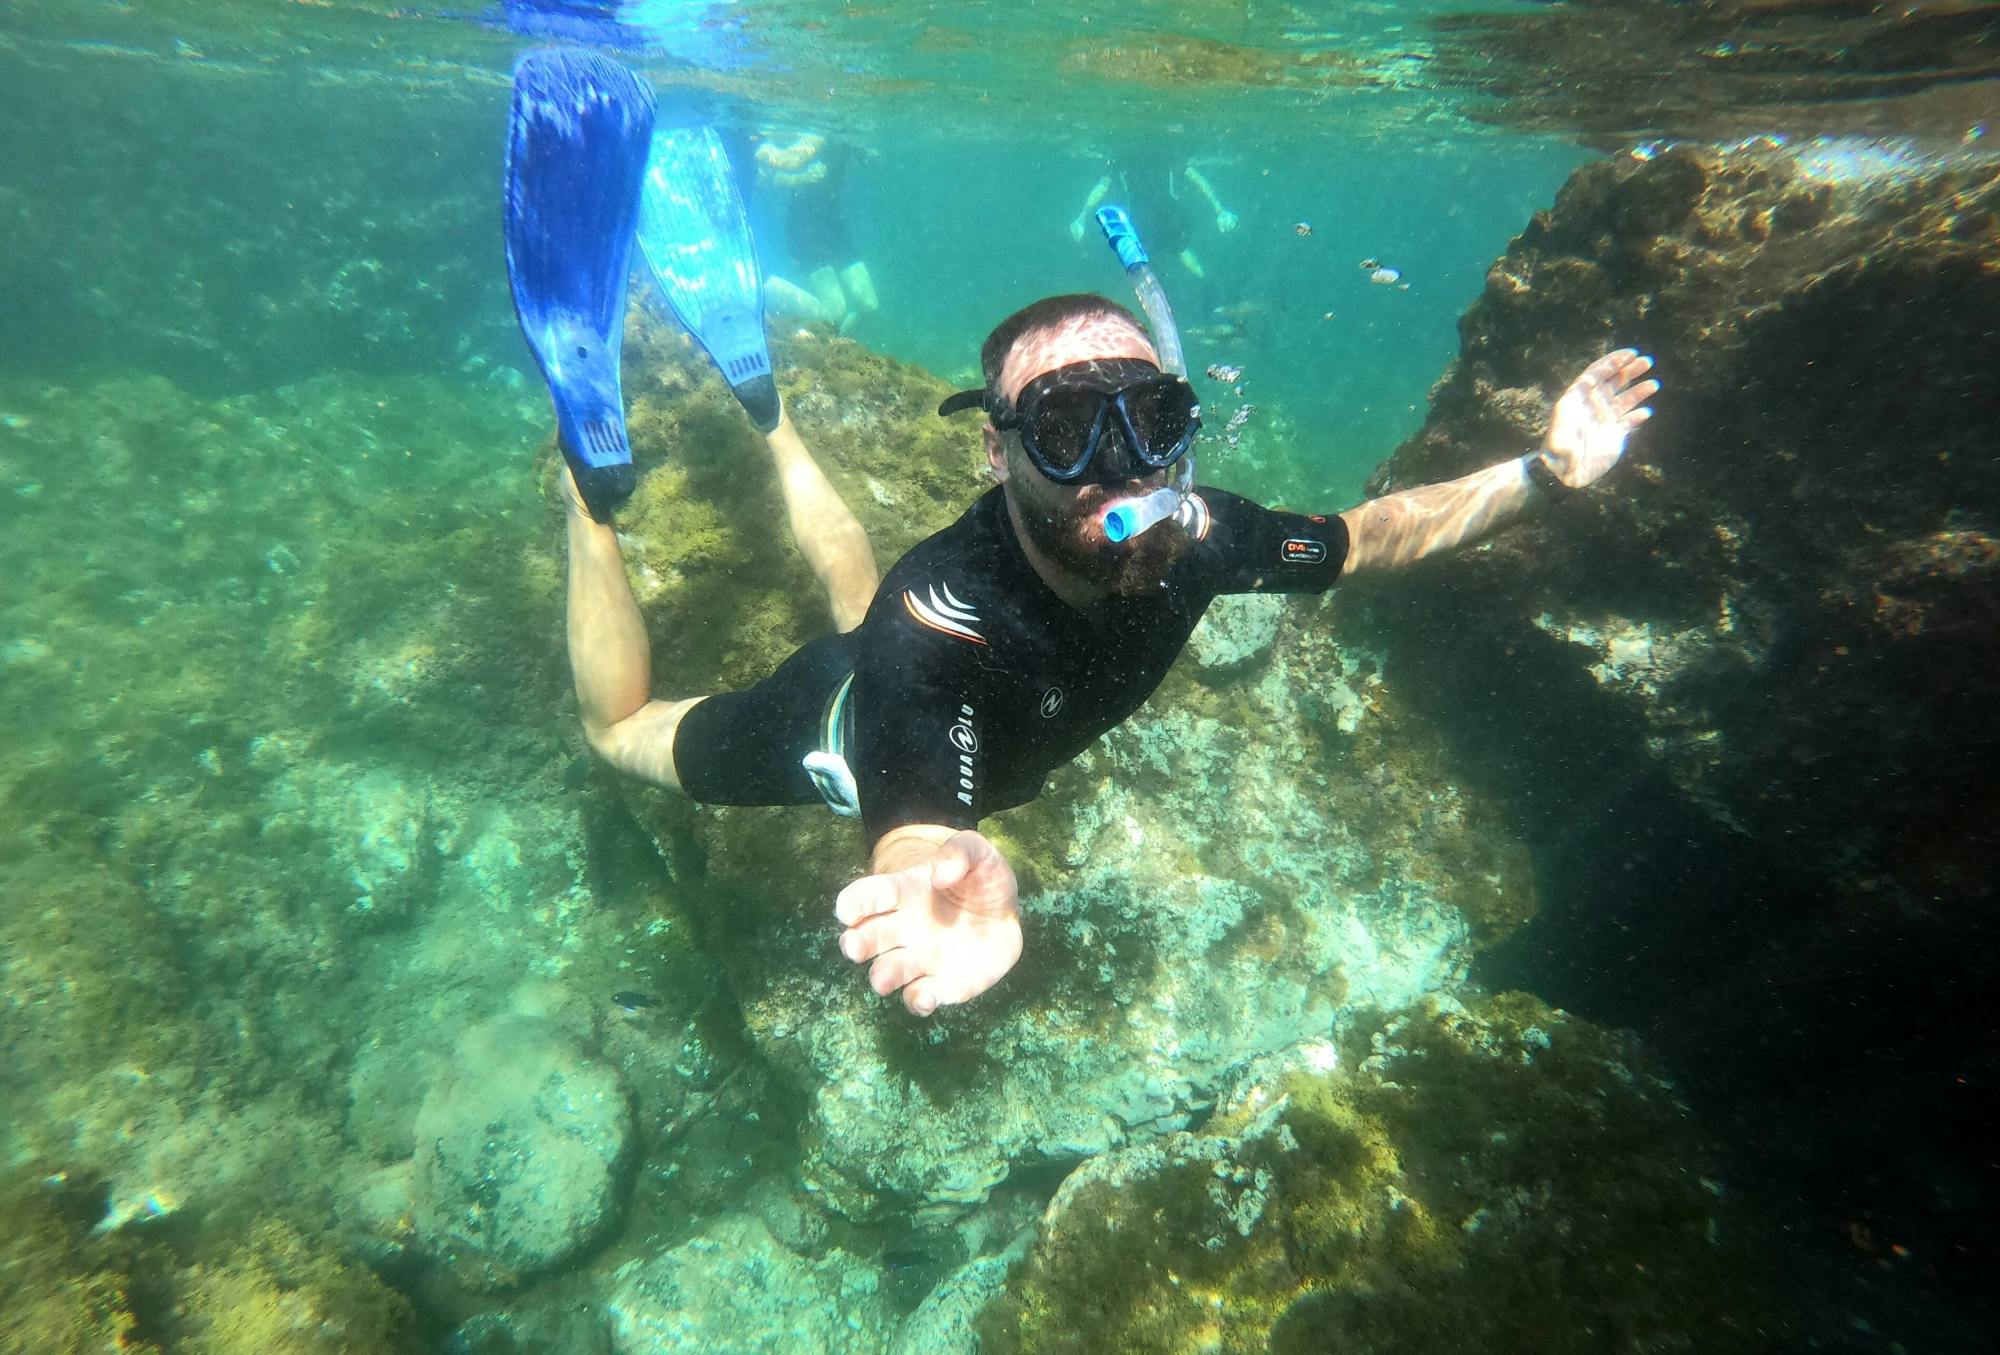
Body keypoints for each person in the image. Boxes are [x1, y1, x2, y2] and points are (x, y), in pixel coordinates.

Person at [562, 291, 1657, 1019]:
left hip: (914, 649)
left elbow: (1365, 536)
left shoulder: (1201, 535)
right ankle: (586, 489)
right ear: (995, 449)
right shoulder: (928, 638)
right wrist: (923, 876)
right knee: (621, 728)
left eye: (1150, 419)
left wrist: (1545, 472)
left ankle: (771, 416)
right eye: (1065, 429)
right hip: (847, 723)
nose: (1121, 468)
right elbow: (910, 814)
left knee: (860, 591)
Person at [752, 130, 880, 333]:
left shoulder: (845, 132)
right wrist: (802, 177)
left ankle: (830, 343)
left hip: (833, 223)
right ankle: (771, 300)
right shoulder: (807, 132)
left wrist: (867, 151)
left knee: (868, 304)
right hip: (805, 227)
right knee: (834, 311)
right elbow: (764, 178)